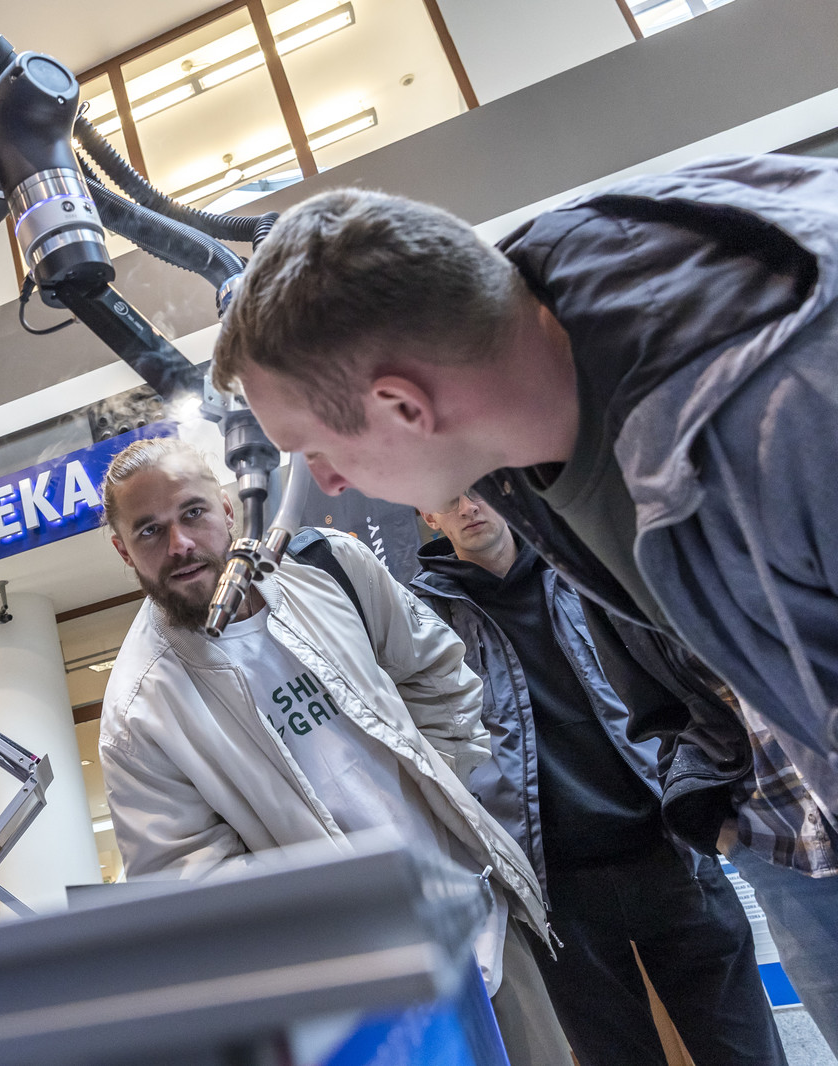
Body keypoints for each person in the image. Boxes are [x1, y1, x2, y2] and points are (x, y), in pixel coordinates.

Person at [211, 155, 838, 820]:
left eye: (315, 452)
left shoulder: (784, 423)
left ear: (403, 408)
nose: (328, 482)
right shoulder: (524, 413)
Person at [95, 436, 572, 1065]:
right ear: (122, 549)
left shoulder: (327, 567)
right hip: (360, 1000)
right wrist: (347, 925)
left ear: (229, 509)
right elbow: (191, 890)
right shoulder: (138, 712)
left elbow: (437, 672)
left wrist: (445, 795)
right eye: (150, 530)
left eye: (193, 512)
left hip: (479, 921)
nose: (180, 543)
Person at [413, 490, 787, 1065]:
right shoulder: (420, 616)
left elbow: (678, 681)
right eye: (449, 497)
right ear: (428, 515)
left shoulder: (583, 568)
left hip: (670, 849)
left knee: (744, 1050)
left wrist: (703, 797)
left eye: (478, 487)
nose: (470, 506)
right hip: (555, 887)